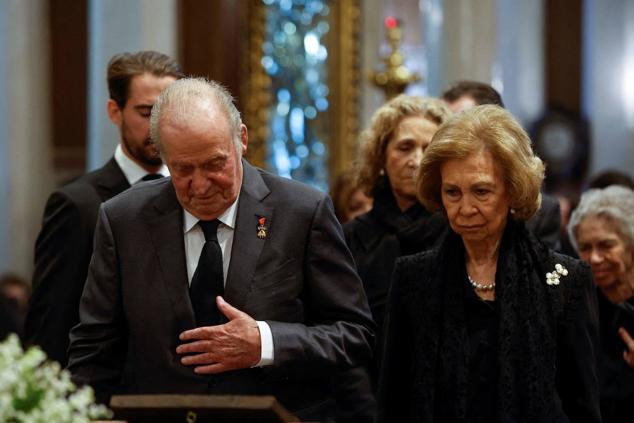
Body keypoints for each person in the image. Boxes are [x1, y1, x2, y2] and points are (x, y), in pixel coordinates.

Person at [67, 78, 374, 422]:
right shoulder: (123, 220)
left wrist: (265, 342)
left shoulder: (302, 212)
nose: (200, 185)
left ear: (241, 140)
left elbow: (354, 334)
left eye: (215, 164)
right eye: (183, 169)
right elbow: (93, 348)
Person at [378, 105, 601, 422]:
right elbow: (393, 403)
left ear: (513, 190)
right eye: (452, 192)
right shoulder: (413, 277)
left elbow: (583, 408)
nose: (465, 208)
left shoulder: (565, 281)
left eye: (481, 191)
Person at [25, 51, 182, 366]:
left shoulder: (194, 191)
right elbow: (52, 325)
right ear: (115, 111)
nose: (159, 126)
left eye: (168, 112)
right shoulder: (77, 205)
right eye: (145, 112)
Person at [345, 95, 451, 350]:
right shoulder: (349, 238)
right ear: (381, 156)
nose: (417, 161)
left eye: (429, 150)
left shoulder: (460, 232)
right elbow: (340, 329)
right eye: (405, 147)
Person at [442, 80, 563, 250]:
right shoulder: (436, 205)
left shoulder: (541, 215)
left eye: (482, 191)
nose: (449, 135)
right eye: (443, 124)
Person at [568, 185, 634, 422]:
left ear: (631, 245)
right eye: (585, 248)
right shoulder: (577, 311)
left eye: (606, 245)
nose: (594, 259)